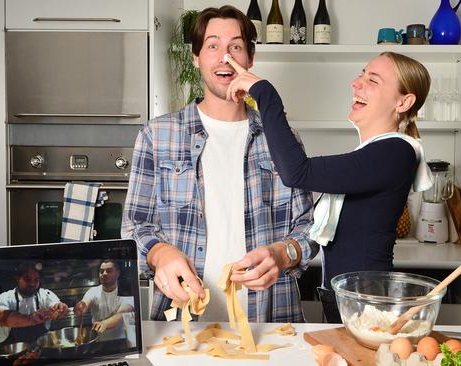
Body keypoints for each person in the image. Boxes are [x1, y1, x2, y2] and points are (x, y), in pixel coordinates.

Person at [121, 5, 316, 323]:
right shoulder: (157, 135)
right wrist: (161, 253)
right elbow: (134, 228)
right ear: (196, 58)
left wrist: (284, 253)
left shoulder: (281, 137)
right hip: (181, 327)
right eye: (212, 45)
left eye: (235, 47)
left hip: (271, 323)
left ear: (250, 60)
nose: (225, 57)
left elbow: (310, 228)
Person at [225, 51, 434, 322]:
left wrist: (265, 93)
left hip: (367, 305)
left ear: (404, 101)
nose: (356, 83)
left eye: (372, 80)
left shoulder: (395, 152)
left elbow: (297, 172)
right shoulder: (375, 152)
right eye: (361, 74)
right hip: (348, 298)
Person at [0, 262, 68, 344]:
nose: (32, 283)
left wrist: (60, 308)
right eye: (27, 279)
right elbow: (0, 316)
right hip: (11, 352)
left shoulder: (45, 295)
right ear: (17, 278)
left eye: (36, 280)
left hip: (39, 349)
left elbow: (56, 304)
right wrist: (31, 319)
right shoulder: (4, 298)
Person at [74, 260, 134, 340]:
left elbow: (122, 313)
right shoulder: (93, 291)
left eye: (109, 271)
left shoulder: (125, 291)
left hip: (120, 340)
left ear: (118, 273)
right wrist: (80, 307)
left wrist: (104, 323)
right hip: (97, 339)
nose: (104, 274)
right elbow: (85, 303)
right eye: (101, 272)